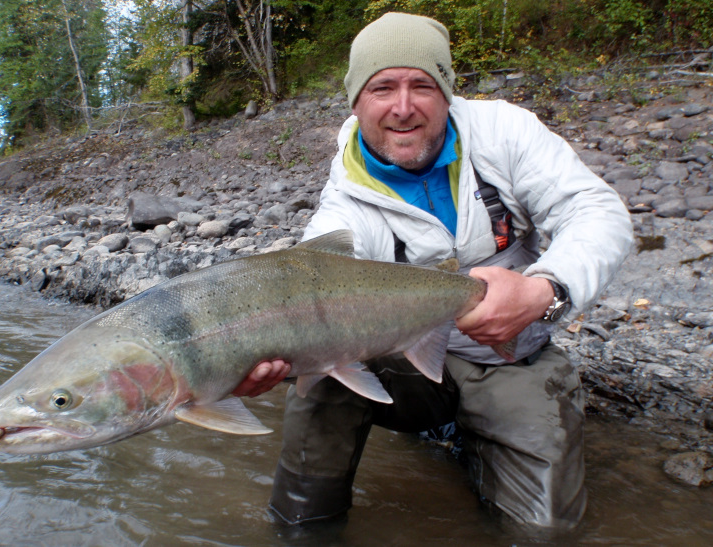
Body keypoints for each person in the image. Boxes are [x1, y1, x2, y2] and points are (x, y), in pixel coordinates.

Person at [233, 12, 633, 530]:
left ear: (447, 92)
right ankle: (303, 526)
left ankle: (476, 438)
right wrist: (253, 356)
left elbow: (597, 213)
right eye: (382, 88)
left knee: (544, 530)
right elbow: (310, 287)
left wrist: (545, 292)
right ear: (356, 101)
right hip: (403, 361)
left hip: (508, 354)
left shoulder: (504, 133)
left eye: (421, 85)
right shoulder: (345, 200)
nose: (403, 107)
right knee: (321, 377)